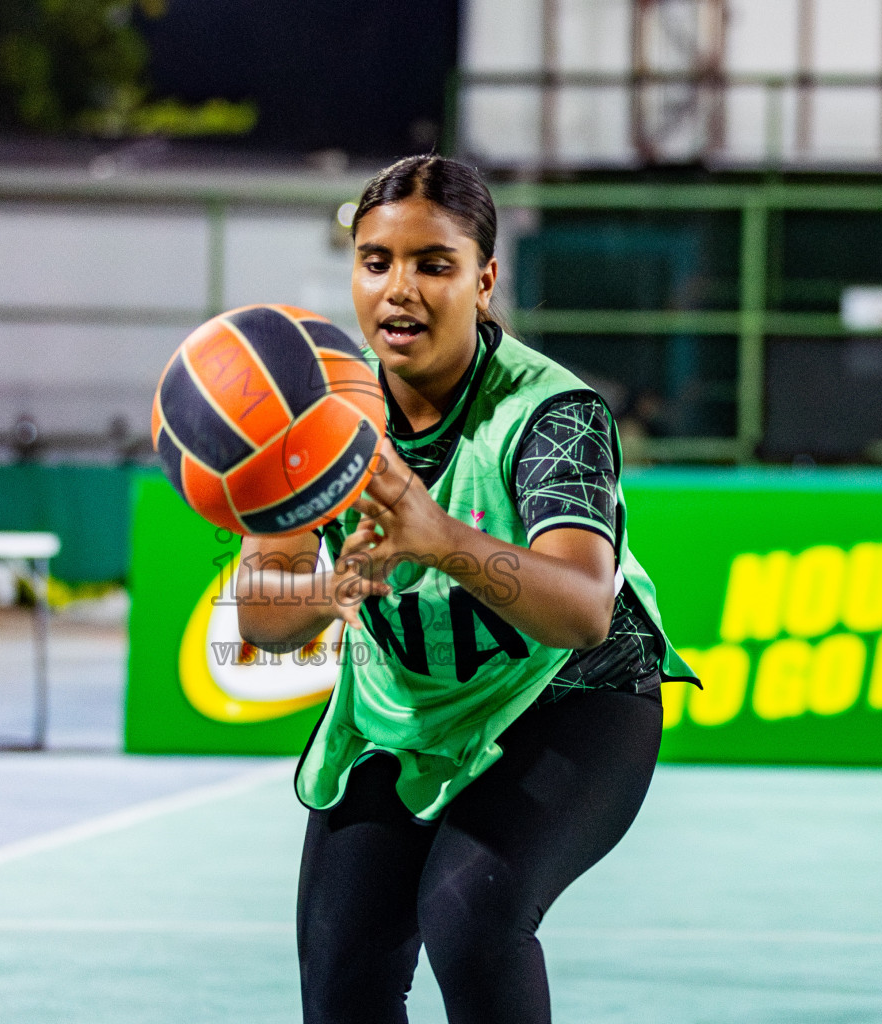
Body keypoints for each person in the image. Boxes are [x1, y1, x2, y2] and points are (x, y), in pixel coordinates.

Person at [235, 155, 698, 1024]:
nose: (398, 290)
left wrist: (439, 541)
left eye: (432, 264)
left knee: (470, 910)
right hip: (403, 716)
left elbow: (584, 610)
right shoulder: (316, 411)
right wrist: (339, 584)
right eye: (376, 261)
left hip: (570, 701)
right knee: (341, 979)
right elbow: (260, 614)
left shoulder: (552, 414)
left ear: (483, 281)